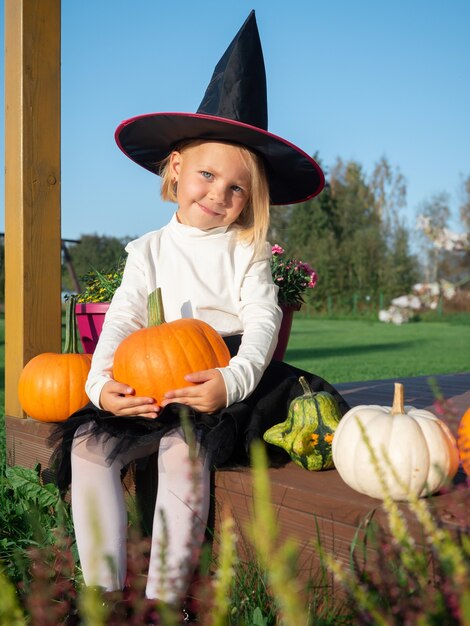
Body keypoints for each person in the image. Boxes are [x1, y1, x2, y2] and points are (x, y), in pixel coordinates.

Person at [51, 11, 349, 619]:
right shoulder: (148, 252)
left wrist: (231, 381)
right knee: (87, 444)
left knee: (183, 451)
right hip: (151, 377)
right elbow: (122, 323)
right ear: (177, 166)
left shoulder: (249, 251)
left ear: (253, 199)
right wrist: (101, 388)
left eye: (236, 188)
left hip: (223, 374)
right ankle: (103, 591)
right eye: (207, 175)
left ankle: (167, 597)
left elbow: (264, 324)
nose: (218, 194)